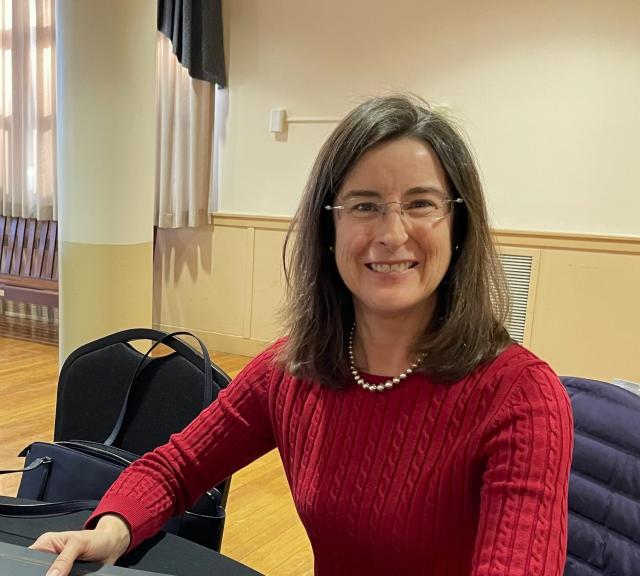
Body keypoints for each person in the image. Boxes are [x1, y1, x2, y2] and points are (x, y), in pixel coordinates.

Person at [32, 95, 573, 576]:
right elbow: (178, 466)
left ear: (458, 227)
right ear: (329, 228)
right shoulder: (292, 368)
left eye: (421, 203)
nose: (391, 232)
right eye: (364, 205)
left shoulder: (522, 398)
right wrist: (110, 528)